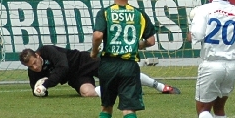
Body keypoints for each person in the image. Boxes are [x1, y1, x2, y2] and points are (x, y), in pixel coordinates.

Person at [20, 46, 181, 97]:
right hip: (76, 76)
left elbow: (63, 67)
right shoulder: (33, 70)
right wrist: (40, 91)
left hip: (84, 61)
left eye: (35, 63)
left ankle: (160, 86)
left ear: (38, 55)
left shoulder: (48, 51)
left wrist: (47, 83)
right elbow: (35, 87)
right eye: (31, 67)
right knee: (87, 93)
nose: (35, 67)